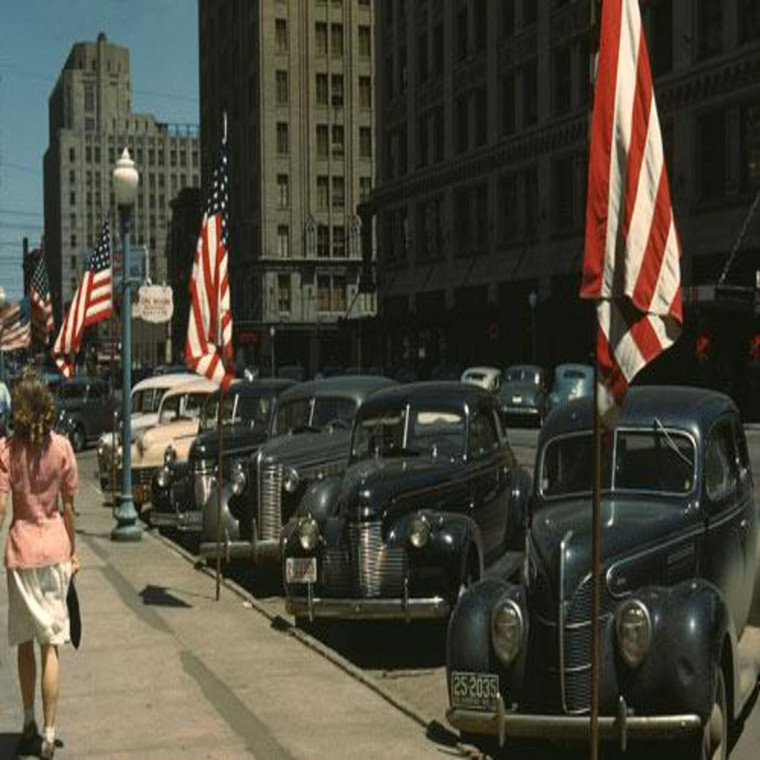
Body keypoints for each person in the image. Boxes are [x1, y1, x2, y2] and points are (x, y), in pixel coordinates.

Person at [0, 371, 79, 759]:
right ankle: (50, 733)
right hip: (54, 553)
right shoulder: (62, 448)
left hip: (21, 553)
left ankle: (28, 720)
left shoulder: (6, 452)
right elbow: (68, 508)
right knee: (53, 643)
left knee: (25, 642)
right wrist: (74, 552)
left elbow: (0, 508)